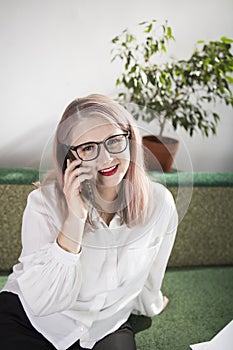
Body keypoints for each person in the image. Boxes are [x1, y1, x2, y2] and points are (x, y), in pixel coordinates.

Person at [0, 94, 178, 350]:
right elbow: (44, 300)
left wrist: (151, 303)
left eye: (114, 141)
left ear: (130, 140)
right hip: (34, 319)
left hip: (106, 325)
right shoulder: (42, 204)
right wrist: (76, 217)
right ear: (70, 157)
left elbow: (152, 274)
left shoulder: (161, 203)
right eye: (87, 148)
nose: (105, 159)